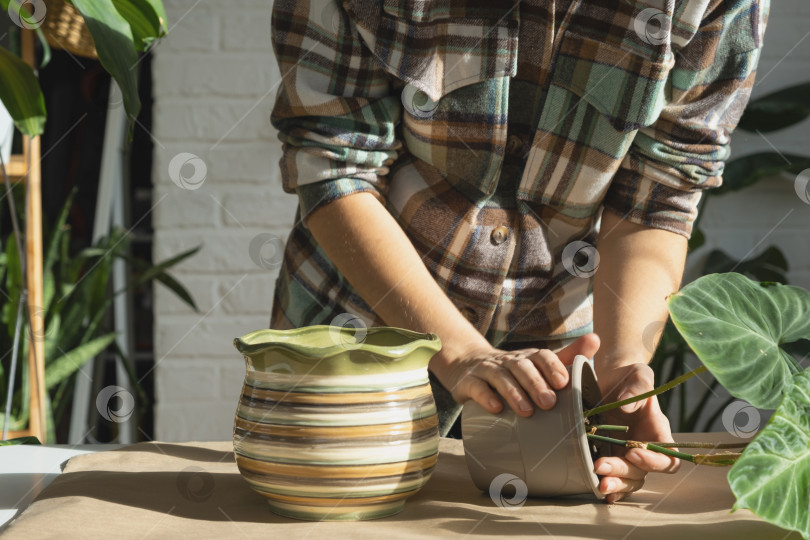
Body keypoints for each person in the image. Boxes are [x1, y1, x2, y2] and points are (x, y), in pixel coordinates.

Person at [267, 0, 768, 503]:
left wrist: (618, 370)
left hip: (553, 379)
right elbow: (335, 161)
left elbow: (662, 187)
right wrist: (461, 354)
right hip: (360, 340)